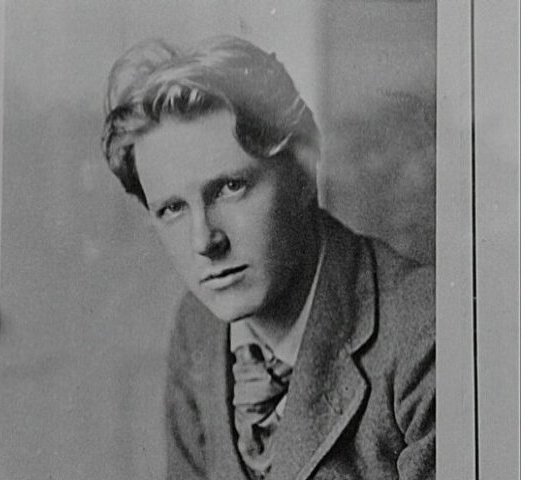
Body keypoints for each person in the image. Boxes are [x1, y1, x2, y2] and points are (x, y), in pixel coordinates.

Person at [102, 36, 434, 480]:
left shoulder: (425, 335)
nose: (204, 241)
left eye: (230, 187)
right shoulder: (198, 328)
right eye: (172, 208)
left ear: (305, 169)